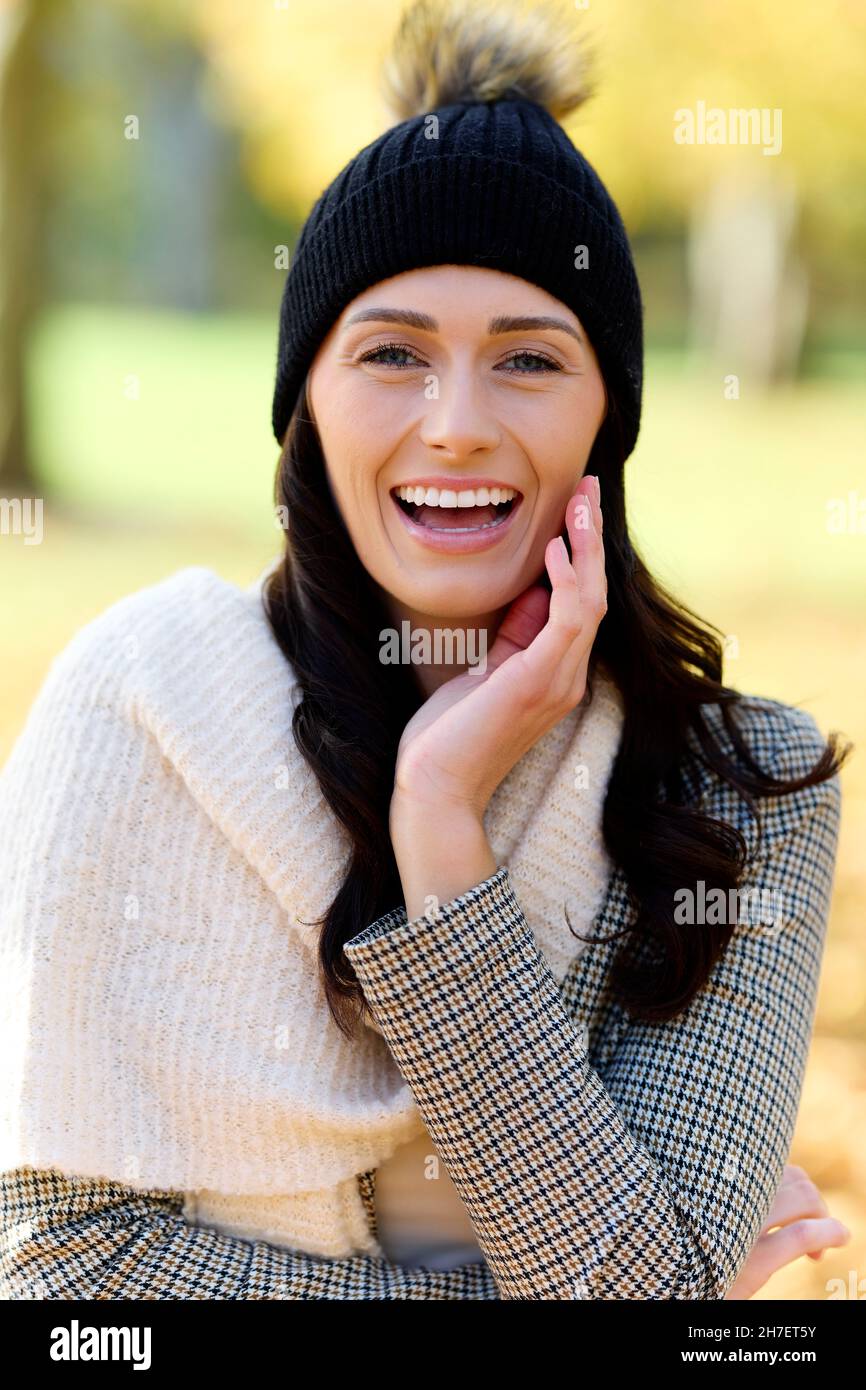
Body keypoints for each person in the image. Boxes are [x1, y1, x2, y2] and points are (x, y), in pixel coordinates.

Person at [0, 0, 852, 1300]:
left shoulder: (742, 790)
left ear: (602, 424)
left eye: (527, 360)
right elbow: (59, 1283)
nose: (453, 424)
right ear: (306, 404)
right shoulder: (140, 703)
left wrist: (439, 829)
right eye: (390, 354)